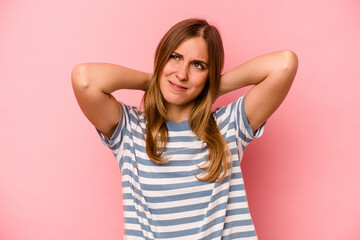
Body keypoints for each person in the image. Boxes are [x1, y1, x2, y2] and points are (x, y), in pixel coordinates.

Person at [71, 18, 298, 240]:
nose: (182, 74)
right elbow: (85, 79)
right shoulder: (130, 130)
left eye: (198, 65)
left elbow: (284, 64)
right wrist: (152, 81)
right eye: (175, 57)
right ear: (160, 59)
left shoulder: (229, 126)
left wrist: (213, 87)